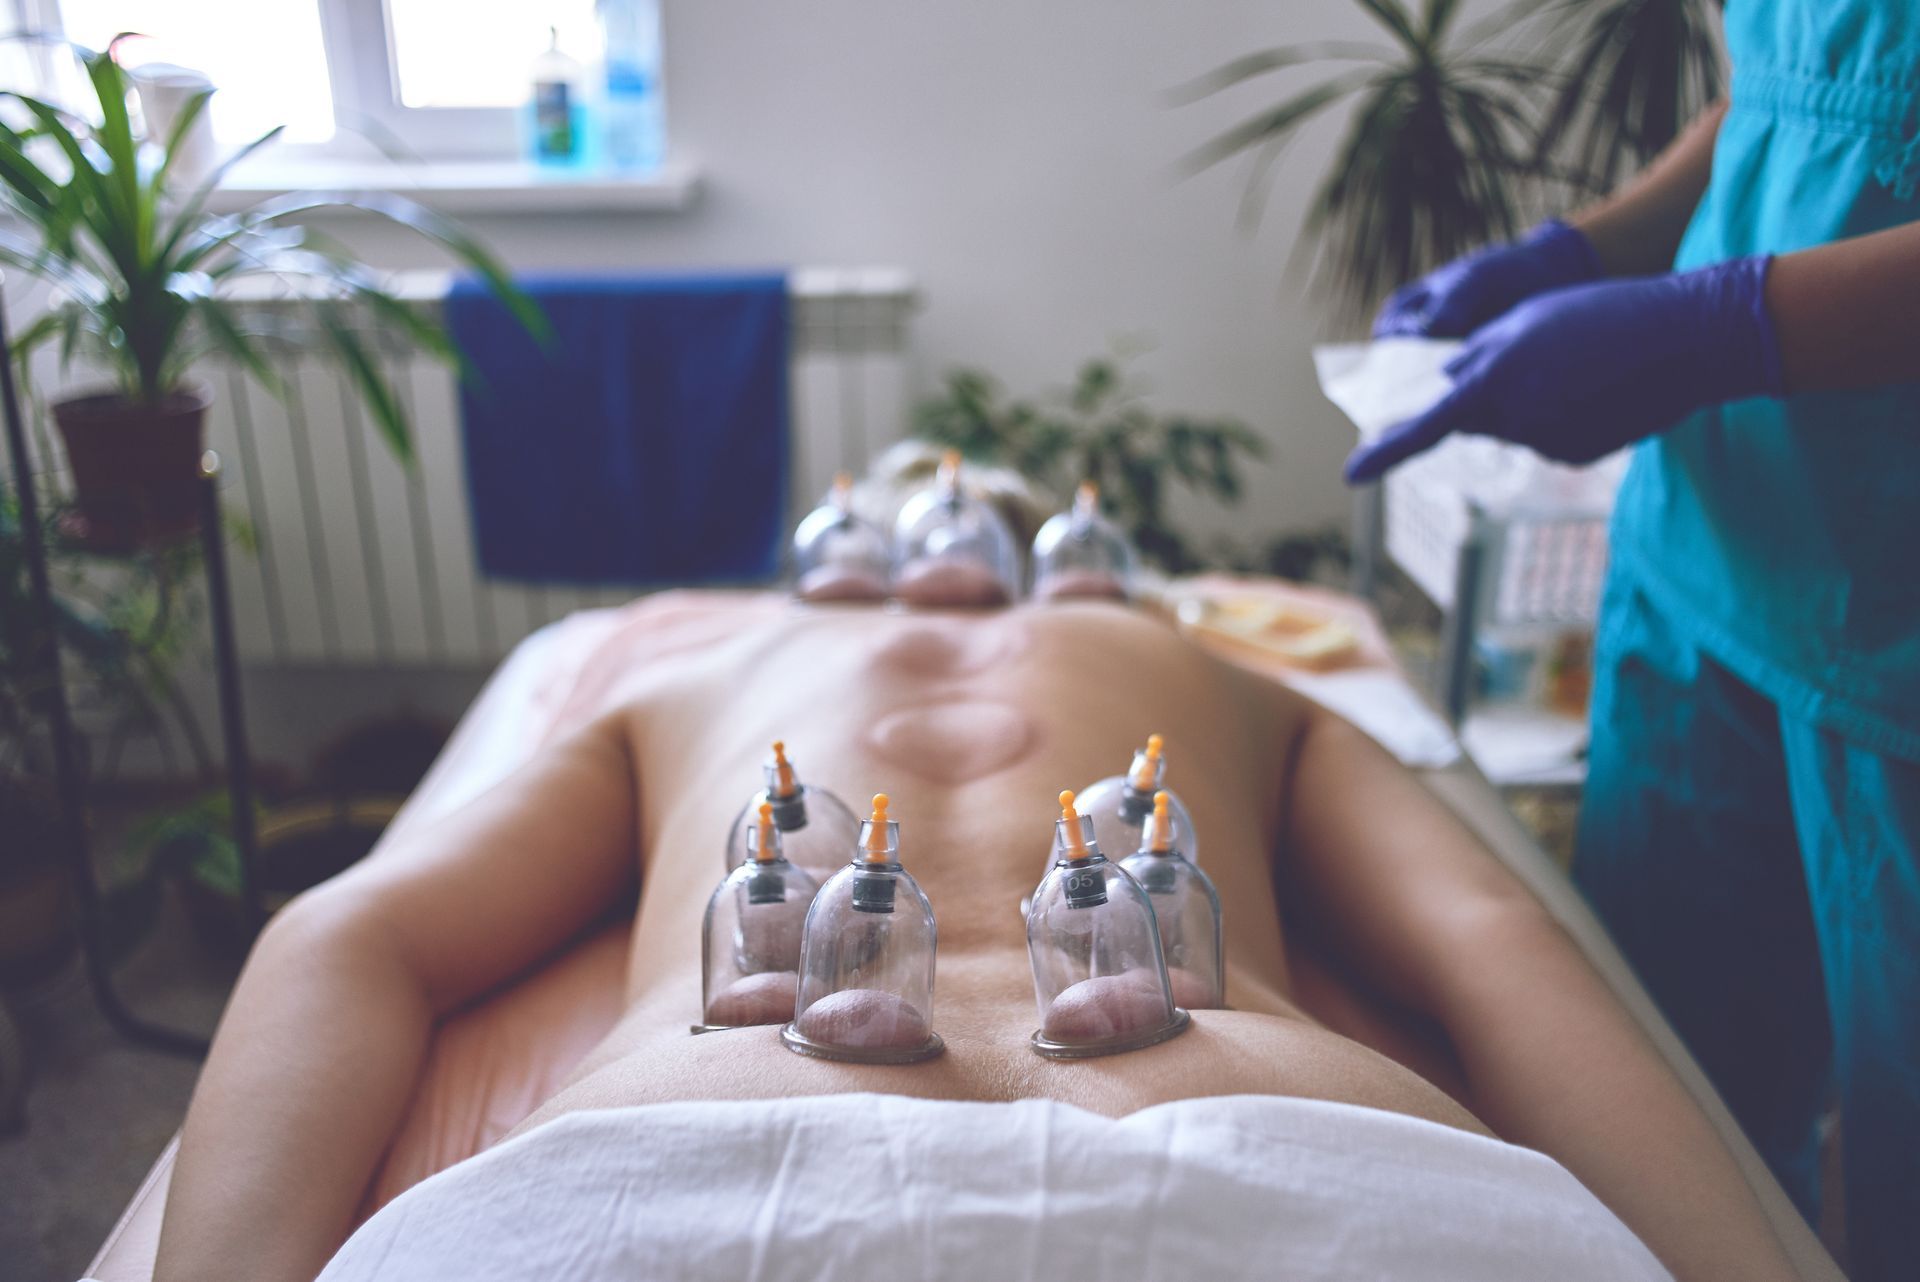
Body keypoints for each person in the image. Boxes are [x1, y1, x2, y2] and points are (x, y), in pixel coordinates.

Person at [153, 592, 1799, 1282]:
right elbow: (1494, 937)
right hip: (1288, 1155)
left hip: (690, 1164)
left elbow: (350, 933)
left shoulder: (695, 674)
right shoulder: (1212, 675)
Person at [1344, 5, 1920, 1276]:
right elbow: (1791, 97)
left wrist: (1730, 322)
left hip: (1895, 620)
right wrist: (1587, 249)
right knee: (1659, 1119)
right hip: (1708, 551)